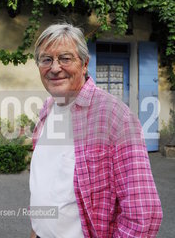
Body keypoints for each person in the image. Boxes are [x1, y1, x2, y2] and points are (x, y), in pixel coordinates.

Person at [29, 23, 163, 238]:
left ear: (84, 64)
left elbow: (143, 215)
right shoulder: (47, 110)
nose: (55, 68)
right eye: (46, 59)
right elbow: (45, 185)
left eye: (65, 58)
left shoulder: (116, 117)